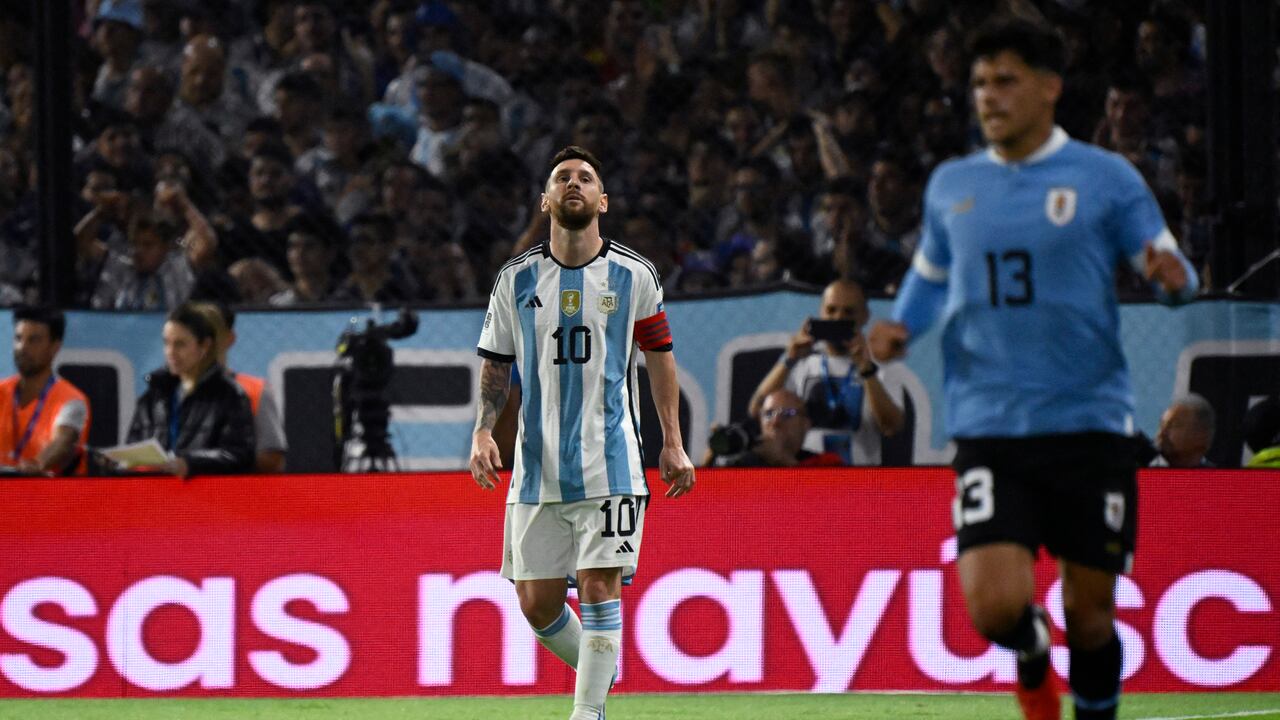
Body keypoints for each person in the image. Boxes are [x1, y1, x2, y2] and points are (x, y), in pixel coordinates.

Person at [868, 17, 1198, 720]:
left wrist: (1173, 276)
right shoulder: (953, 184)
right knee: (992, 609)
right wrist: (902, 324)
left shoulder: (1106, 178)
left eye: (1005, 80)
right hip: (990, 425)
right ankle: (1028, 644)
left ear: (1049, 88)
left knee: (1091, 613)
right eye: (980, 82)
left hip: (1089, 424)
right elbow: (930, 279)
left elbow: (1168, 264)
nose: (988, 96)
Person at [469, 146, 695, 720]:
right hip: (535, 467)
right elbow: (496, 363)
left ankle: (587, 711)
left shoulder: (635, 275)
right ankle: (601, 661)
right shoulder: (515, 279)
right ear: (545, 200)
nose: (574, 184)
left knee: (600, 587)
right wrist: (482, 431)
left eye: (586, 178)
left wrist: (671, 440)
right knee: (536, 602)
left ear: (603, 200)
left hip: (612, 462)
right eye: (562, 178)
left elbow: (660, 357)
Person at [749, 279, 903, 465]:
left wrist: (866, 369)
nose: (838, 318)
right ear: (821, 312)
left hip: (859, 481)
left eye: (848, 311)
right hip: (807, 475)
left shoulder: (880, 367)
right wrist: (789, 359)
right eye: (831, 310)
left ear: (865, 316)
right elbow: (757, 409)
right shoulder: (801, 363)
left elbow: (892, 427)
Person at [126, 303, 255, 478]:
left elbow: (239, 455)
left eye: (180, 344)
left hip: (205, 500)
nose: (170, 352)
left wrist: (190, 464)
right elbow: (133, 447)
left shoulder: (230, 395)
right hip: (155, 498)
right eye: (166, 343)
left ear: (205, 346)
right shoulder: (153, 395)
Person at [191, 302, 288, 473]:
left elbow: (273, 460)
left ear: (230, 338)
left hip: (237, 495)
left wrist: (208, 460)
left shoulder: (255, 391)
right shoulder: (167, 393)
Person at [0, 307, 91, 475]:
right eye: (18, 338)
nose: (22, 347)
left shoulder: (71, 400)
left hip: (51, 497)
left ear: (55, 347)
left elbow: (63, 441)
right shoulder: (2, 391)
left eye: (34, 340)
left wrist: (37, 464)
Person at [716, 390, 842, 467]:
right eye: (768, 414)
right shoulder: (744, 463)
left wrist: (784, 460)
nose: (775, 422)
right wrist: (711, 455)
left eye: (787, 414)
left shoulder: (826, 463)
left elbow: (828, 501)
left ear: (806, 424)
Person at [1149, 394, 1215, 468]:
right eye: (1162, 425)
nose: (1161, 433)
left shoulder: (1217, 478)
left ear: (1201, 434)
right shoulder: (1143, 474)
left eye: (1173, 426)